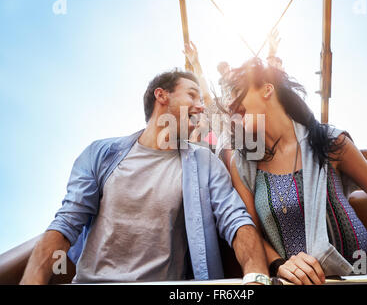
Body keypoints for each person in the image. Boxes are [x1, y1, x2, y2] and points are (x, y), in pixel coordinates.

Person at [20, 69, 270, 284]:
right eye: (192, 94)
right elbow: (66, 225)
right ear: (161, 95)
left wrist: (257, 276)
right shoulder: (99, 154)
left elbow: (236, 221)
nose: (202, 105)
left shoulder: (205, 163)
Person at [226, 57, 367, 285]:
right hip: (300, 282)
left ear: (267, 90)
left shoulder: (329, 140)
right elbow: (253, 232)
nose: (230, 104)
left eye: (235, 91)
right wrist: (281, 264)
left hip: (364, 277)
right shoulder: (242, 164)